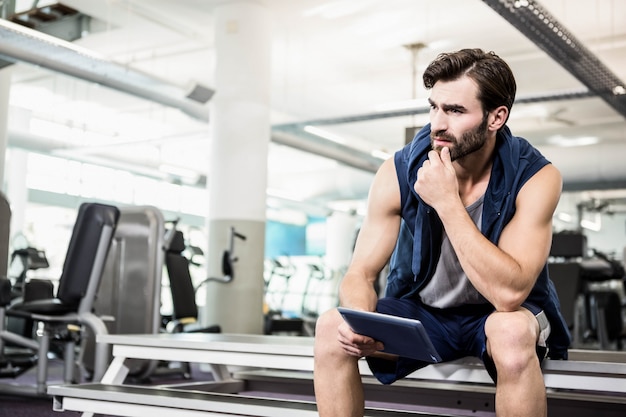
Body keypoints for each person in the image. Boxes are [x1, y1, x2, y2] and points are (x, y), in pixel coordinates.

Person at [313, 48, 571, 417]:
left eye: (455, 111)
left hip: (495, 316)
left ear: (496, 117)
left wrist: (448, 203)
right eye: (434, 107)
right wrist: (359, 320)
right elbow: (360, 274)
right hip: (427, 315)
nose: (438, 123)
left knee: (510, 331)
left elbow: (509, 294)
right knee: (332, 326)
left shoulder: (536, 177)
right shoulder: (398, 170)